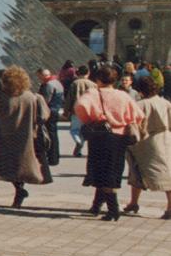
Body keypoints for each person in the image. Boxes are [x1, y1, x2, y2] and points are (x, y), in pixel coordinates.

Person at [73, 66, 136, 221]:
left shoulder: (93, 94)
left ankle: (113, 210)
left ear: (98, 79)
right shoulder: (123, 95)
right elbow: (137, 115)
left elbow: (80, 107)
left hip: (100, 136)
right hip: (120, 137)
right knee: (113, 171)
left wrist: (91, 119)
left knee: (101, 171)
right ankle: (97, 205)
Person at [0, 66, 50, 209]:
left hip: (5, 135)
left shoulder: (3, 96)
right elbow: (44, 115)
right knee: (22, 165)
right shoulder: (31, 96)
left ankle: (19, 190)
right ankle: (20, 191)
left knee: (6, 165)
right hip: (26, 136)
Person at [125, 73, 170, 219]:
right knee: (166, 173)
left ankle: (133, 202)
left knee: (137, 171)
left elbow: (134, 126)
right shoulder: (165, 103)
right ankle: (170, 207)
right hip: (164, 138)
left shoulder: (139, 105)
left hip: (145, 142)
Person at [38, 69, 64, 168]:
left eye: (39, 77)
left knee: (50, 135)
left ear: (43, 75)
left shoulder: (49, 85)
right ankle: (55, 156)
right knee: (54, 135)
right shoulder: (57, 82)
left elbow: (45, 100)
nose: (39, 79)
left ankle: (52, 158)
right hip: (56, 110)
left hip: (49, 112)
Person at [66, 67, 94, 157]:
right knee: (86, 130)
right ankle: (79, 149)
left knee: (74, 130)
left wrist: (66, 110)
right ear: (88, 73)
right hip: (89, 110)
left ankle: (79, 142)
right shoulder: (93, 84)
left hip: (76, 110)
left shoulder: (74, 83)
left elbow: (69, 98)